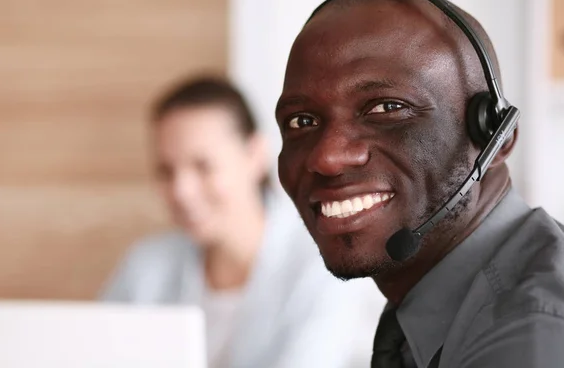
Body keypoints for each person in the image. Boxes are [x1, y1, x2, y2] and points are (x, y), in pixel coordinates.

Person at [275, 0, 564, 368]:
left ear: (495, 136)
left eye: (386, 108)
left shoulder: (530, 333)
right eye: (302, 120)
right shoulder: (435, 306)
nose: (327, 157)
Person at [101, 76, 383, 368]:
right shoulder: (145, 265)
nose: (181, 191)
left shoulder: (326, 267)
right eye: (166, 171)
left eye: (203, 166)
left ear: (254, 155)